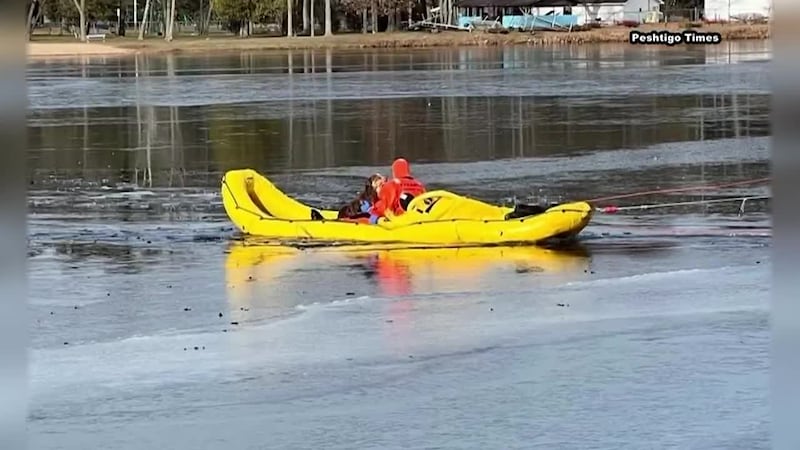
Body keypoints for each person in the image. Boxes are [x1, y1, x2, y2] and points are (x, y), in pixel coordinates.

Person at [368, 158, 426, 224]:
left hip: (398, 221)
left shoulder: (391, 184)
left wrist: (373, 214)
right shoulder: (420, 185)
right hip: (418, 219)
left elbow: (384, 204)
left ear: (394, 171)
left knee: (372, 214)